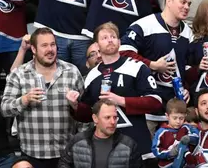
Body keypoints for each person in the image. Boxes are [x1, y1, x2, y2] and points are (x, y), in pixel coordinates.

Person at [66, 21, 163, 162]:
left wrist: (121, 101)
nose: (110, 40)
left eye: (113, 36)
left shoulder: (136, 67)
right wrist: (75, 105)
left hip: (137, 145)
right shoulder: (92, 76)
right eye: (104, 38)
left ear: (119, 41)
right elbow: (89, 114)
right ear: (97, 46)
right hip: (106, 150)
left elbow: (155, 102)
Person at [1, 28, 85, 168]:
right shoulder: (20, 74)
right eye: (44, 45)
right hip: (32, 154)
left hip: (66, 154)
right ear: (33, 49)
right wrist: (25, 100)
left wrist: (76, 106)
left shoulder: (72, 72)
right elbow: (5, 109)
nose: (50, 49)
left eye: (52, 45)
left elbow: (86, 113)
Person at [120, 0, 193, 108]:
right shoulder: (143, 25)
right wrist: (152, 65)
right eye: (183, 2)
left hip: (175, 111)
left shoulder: (188, 32)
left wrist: (186, 89)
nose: (187, 7)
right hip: (148, 105)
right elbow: (123, 54)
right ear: (169, 1)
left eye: (189, 4)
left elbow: (186, 67)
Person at [59, 100, 141, 168]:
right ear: (95, 118)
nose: (113, 122)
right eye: (107, 117)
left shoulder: (129, 145)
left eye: (115, 117)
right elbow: (64, 164)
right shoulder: (77, 141)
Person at [151, 98, 187, 166]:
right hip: (167, 165)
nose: (178, 121)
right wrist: (170, 153)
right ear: (167, 116)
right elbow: (155, 149)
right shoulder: (161, 132)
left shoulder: (185, 129)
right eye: (175, 118)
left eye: (181, 118)